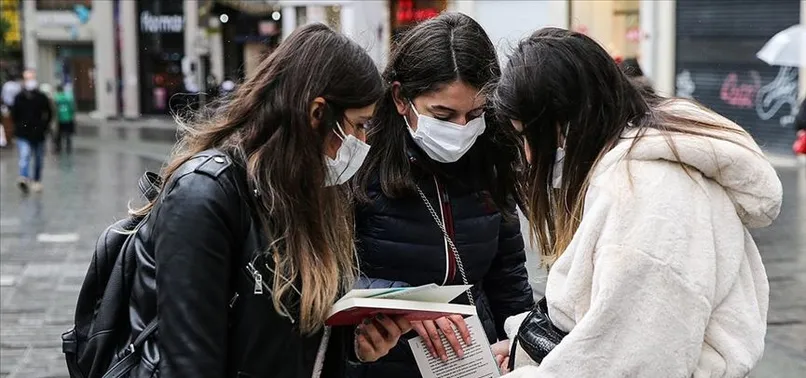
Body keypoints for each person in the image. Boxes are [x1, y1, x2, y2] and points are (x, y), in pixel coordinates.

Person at [124, 24, 411, 377]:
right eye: (360, 124)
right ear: (317, 113)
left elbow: (292, 338)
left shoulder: (315, 189)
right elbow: (190, 363)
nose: (364, 141)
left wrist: (354, 346)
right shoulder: (204, 196)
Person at [493, 28, 782, 377]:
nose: (527, 154)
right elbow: (615, 325)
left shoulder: (643, 198)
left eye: (529, 136)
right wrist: (525, 349)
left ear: (565, 121)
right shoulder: (636, 170)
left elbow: (629, 362)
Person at [349, 13, 534, 377]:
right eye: (443, 115)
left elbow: (508, 275)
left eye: (476, 113)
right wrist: (404, 301)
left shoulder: (491, 159)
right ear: (402, 98)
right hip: (382, 361)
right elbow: (329, 274)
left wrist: (522, 348)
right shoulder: (359, 163)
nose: (462, 130)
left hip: (474, 357)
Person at [11, 69, 52, 193]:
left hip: (38, 133)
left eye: (32, 78)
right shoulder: (19, 97)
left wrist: (44, 126)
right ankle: (23, 177)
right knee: (25, 155)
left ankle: (36, 180)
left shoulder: (41, 97)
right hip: (23, 133)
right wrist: (19, 126)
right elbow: (14, 114)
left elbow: (49, 112)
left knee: (38, 159)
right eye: (27, 78)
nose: (30, 81)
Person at [53, 85, 76, 153]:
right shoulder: (68, 98)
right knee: (68, 134)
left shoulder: (56, 98)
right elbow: (72, 108)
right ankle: (68, 147)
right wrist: (72, 116)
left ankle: (58, 147)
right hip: (68, 118)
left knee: (59, 134)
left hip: (59, 119)